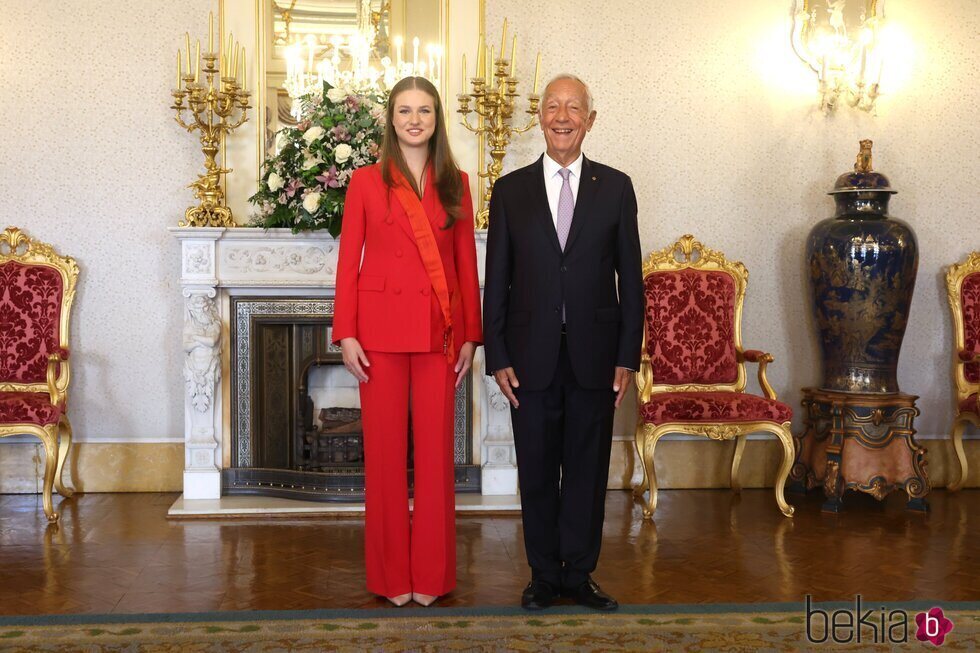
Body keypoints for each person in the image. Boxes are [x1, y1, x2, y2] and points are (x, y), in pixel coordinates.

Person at [483, 74, 643, 611]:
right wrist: (497, 355)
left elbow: (631, 278)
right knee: (536, 467)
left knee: (587, 468)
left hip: (597, 358)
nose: (562, 115)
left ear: (590, 120)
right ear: (540, 118)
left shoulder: (616, 188)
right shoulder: (510, 190)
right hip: (529, 359)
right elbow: (497, 279)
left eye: (574, 107)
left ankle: (579, 574)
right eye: (553, 106)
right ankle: (543, 575)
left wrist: (627, 356)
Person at [332, 76, 483, 607]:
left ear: (437, 119)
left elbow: (466, 264)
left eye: (424, 110)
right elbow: (349, 261)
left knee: (438, 457)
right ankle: (393, 578)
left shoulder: (457, 183)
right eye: (404, 110)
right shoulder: (366, 182)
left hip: (439, 332)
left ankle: (433, 577)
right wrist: (345, 331)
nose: (414, 119)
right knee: (385, 457)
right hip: (378, 335)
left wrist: (471, 336)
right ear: (391, 119)